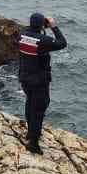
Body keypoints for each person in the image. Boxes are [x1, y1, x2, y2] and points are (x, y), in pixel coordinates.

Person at [17, 12, 67, 153]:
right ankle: (33, 144)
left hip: (24, 78)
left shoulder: (21, 36)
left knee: (30, 103)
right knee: (39, 110)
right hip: (39, 81)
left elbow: (31, 36)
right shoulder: (43, 40)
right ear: (42, 25)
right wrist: (53, 27)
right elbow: (62, 43)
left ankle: (30, 132)